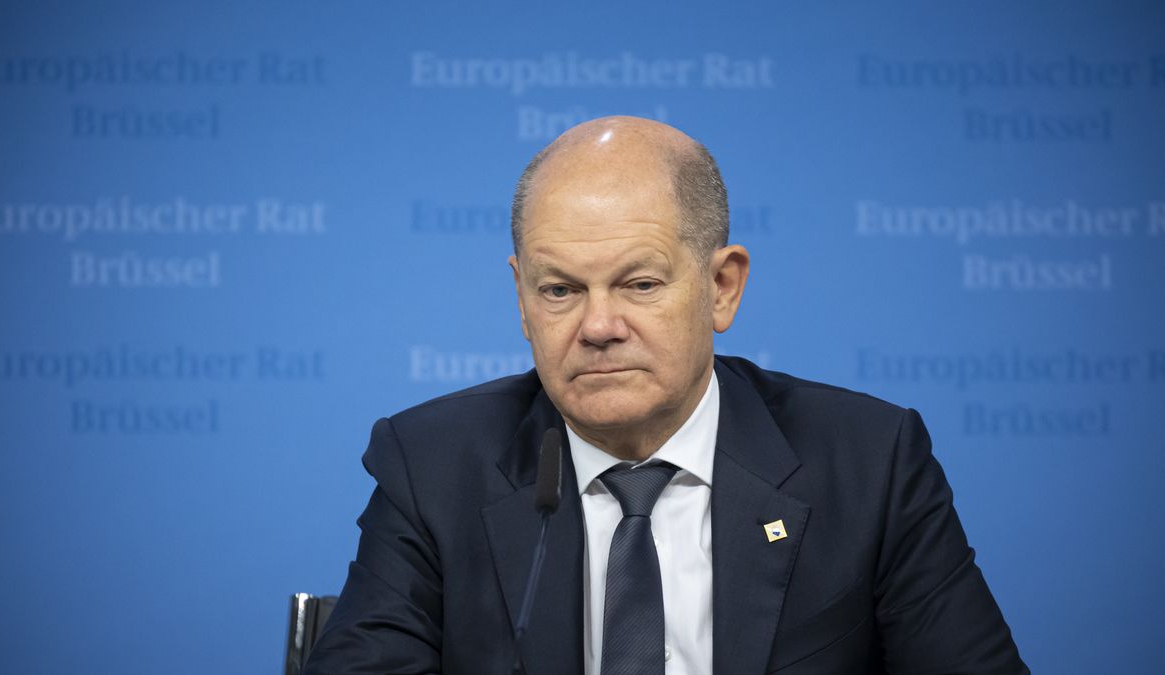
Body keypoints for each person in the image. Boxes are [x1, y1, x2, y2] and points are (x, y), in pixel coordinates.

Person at [304, 116, 1028, 674]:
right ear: (522, 301)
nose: (598, 326)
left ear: (722, 287)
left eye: (639, 284)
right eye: (560, 290)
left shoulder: (869, 461)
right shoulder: (432, 464)